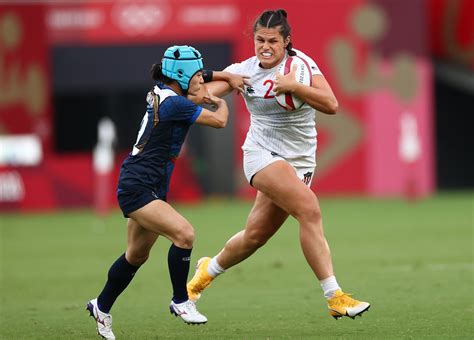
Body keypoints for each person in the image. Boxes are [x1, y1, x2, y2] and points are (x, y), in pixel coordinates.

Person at [187, 9, 370, 320]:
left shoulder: (301, 66)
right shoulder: (244, 71)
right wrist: (222, 76)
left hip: (300, 161)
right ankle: (334, 296)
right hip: (261, 154)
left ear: (287, 41)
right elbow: (195, 98)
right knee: (309, 209)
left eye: (273, 40)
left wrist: (296, 88)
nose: (265, 46)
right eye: (260, 40)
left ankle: (207, 270)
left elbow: (331, 105)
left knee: (255, 236)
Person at [86, 45, 232, 339]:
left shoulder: (166, 92)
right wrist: (218, 99)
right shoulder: (174, 104)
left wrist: (225, 78)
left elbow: (198, 79)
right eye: (197, 75)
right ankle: (181, 300)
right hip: (138, 187)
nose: (202, 80)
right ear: (180, 76)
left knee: (136, 256)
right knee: (185, 234)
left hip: (145, 184)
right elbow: (220, 121)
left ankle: (101, 306)